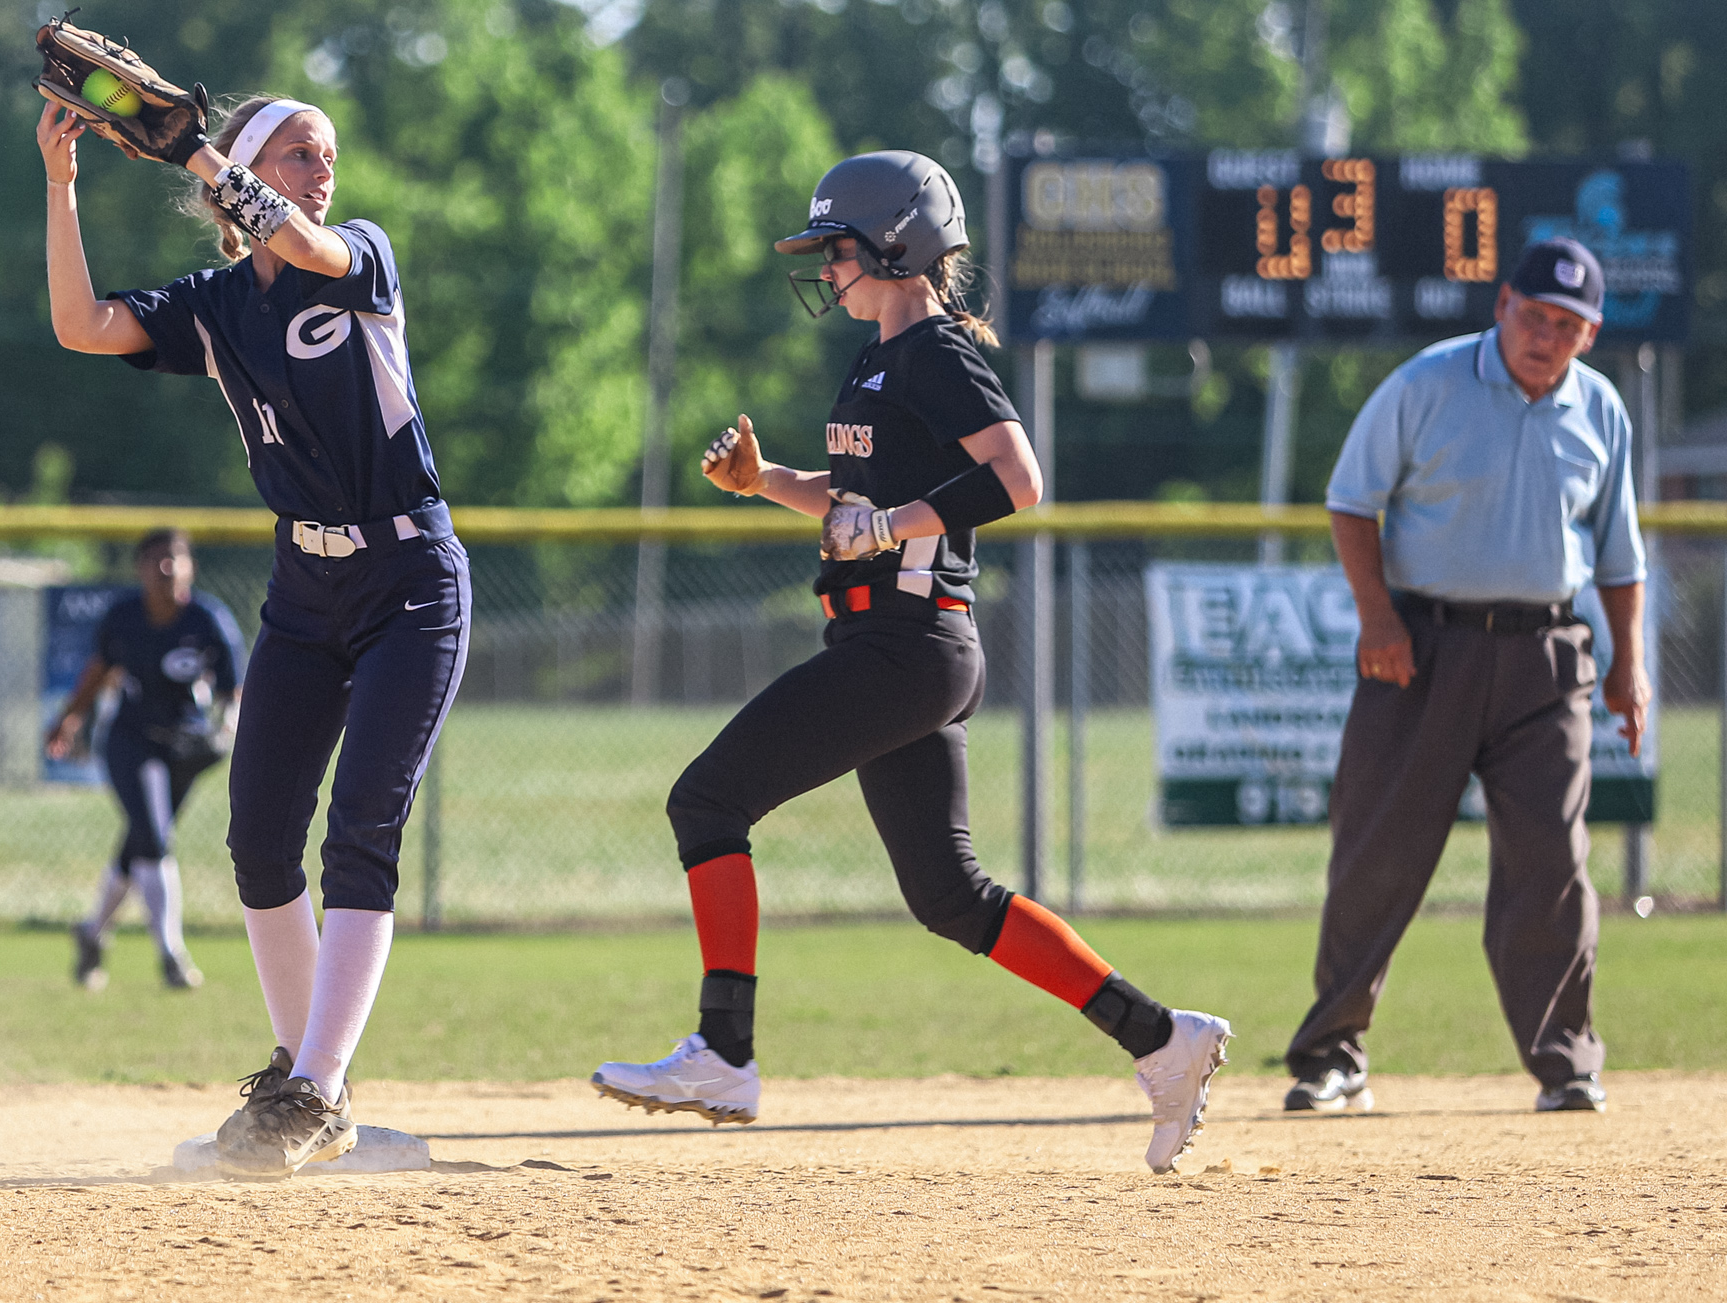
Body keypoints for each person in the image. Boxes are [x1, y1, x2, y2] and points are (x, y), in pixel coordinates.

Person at [589, 152, 1232, 1174]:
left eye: (835, 247)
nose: (824, 266)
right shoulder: (879, 359)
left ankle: (724, 1051)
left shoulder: (932, 350)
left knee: (705, 802)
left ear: (895, 242)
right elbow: (854, 508)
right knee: (948, 898)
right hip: (895, 647)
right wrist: (767, 484)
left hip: (907, 645)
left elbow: (1016, 479)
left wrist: (885, 522)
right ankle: (1161, 1039)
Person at [37, 88, 469, 1177]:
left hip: (411, 579)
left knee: (361, 827)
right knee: (259, 838)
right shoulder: (218, 304)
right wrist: (61, 184)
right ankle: (298, 1075)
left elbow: (312, 241)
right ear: (246, 165)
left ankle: (316, 1091)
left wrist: (205, 164)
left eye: (329, 151)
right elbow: (81, 326)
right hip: (302, 592)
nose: (322, 168)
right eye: (298, 152)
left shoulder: (356, 255)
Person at [1285, 237, 1647, 1116]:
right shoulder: (1426, 384)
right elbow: (1350, 501)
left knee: (1552, 863)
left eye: (1568, 324)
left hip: (1547, 659)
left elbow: (1617, 555)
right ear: (1502, 305)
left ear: (1590, 334)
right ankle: (1334, 1054)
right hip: (1423, 647)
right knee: (1377, 853)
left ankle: (1566, 1060)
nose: (1546, 336)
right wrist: (1378, 617)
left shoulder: (1600, 411)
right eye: (1534, 315)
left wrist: (1629, 665)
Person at [46, 527, 244, 992]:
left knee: (141, 843)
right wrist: (69, 719)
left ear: (190, 566)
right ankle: (171, 954)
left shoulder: (206, 619)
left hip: (184, 749)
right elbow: (99, 672)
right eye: (156, 559)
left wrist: (231, 721)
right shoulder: (124, 618)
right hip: (131, 741)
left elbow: (231, 688)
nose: (166, 568)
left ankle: (92, 933)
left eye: (175, 558)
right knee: (154, 841)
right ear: (139, 568)